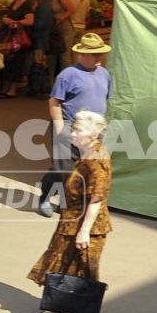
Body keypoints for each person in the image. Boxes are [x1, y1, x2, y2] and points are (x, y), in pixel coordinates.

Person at [28, 110, 113, 313]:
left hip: (85, 224)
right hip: (71, 218)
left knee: (77, 267)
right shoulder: (85, 153)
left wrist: (84, 231)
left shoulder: (96, 160)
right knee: (63, 264)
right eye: (73, 128)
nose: (72, 133)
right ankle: (58, 311)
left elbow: (96, 199)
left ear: (93, 135)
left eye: (78, 130)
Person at [39, 32, 112, 215]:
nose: (99, 57)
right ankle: (45, 197)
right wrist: (59, 126)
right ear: (83, 55)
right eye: (95, 54)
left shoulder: (104, 74)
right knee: (62, 168)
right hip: (69, 125)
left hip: (93, 130)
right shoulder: (68, 75)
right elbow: (54, 101)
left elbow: (105, 98)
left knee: (84, 168)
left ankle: (68, 201)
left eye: (100, 53)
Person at [0, 0, 36, 98]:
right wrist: (6, 19)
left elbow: (30, 20)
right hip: (10, 36)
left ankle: (12, 90)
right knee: (8, 62)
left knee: (16, 63)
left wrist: (17, 22)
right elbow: (9, 15)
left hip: (20, 38)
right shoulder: (14, 2)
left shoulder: (27, 5)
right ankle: (4, 88)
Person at [29, 0, 58, 97]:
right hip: (43, 38)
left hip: (40, 39)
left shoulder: (43, 7)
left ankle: (38, 87)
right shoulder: (47, 5)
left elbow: (40, 25)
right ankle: (39, 87)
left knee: (37, 63)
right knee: (39, 63)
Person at [56, 0, 91, 71]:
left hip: (71, 27)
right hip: (81, 27)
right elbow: (87, 15)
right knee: (76, 52)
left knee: (66, 53)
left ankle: (68, 73)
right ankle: (77, 71)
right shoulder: (86, 0)